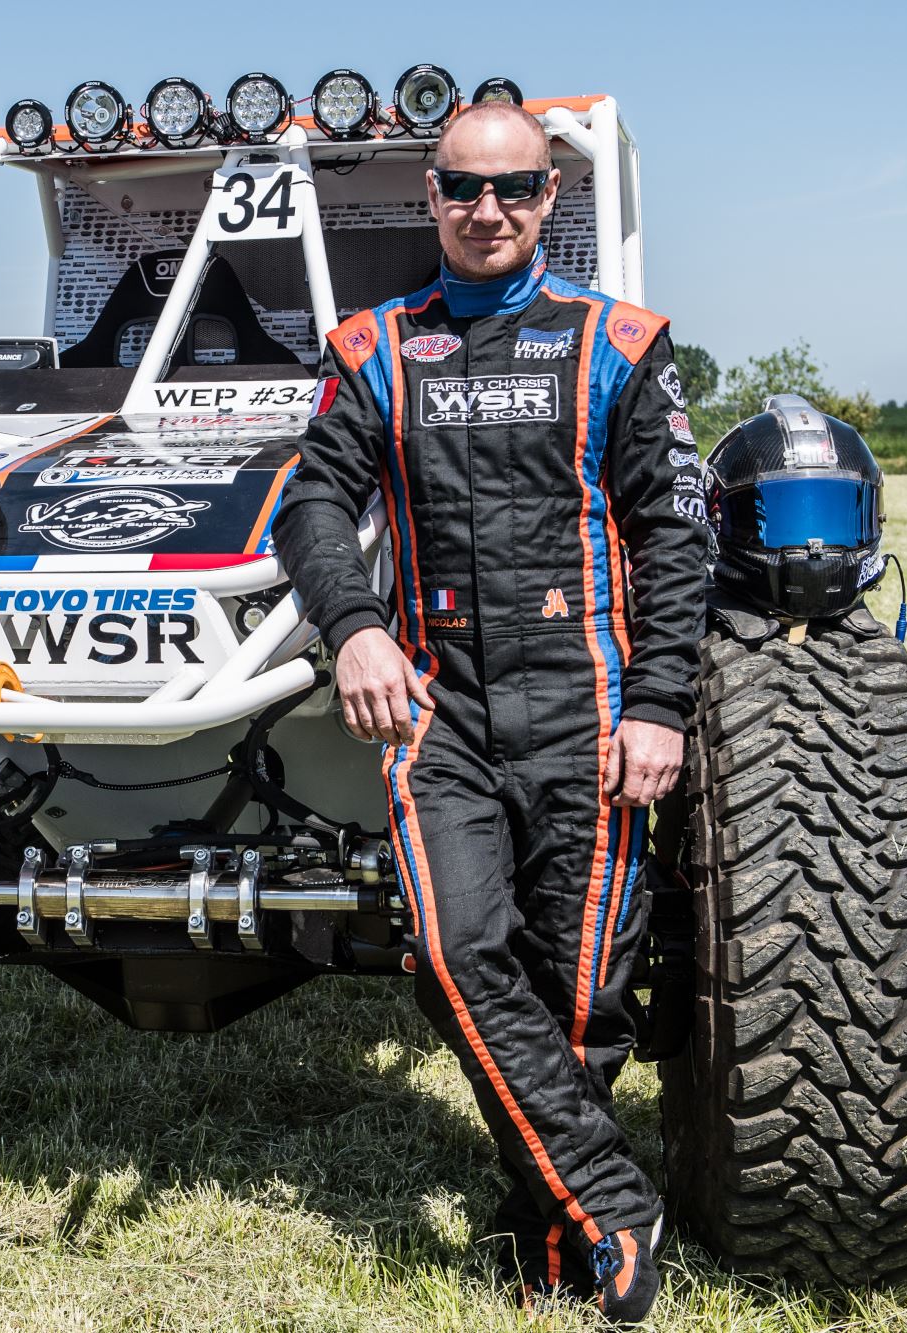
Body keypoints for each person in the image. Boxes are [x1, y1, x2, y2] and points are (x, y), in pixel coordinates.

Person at [273, 101, 707, 1325]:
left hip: (589, 699)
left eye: (511, 191)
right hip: (437, 701)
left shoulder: (620, 341)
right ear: (428, 195)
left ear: (548, 199)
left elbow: (675, 538)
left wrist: (660, 706)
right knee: (459, 955)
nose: (486, 212)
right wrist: (353, 626)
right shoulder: (370, 346)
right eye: (463, 189)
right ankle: (615, 1201)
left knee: (579, 996)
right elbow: (310, 506)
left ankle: (542, 1229)